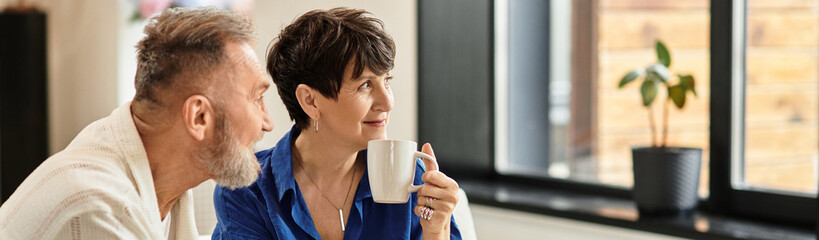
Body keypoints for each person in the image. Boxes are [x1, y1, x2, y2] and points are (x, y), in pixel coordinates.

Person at [0, 7, 274, 239]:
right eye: (257, 98)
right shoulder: (100, 210)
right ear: (199, 117)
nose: (267, 123)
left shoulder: (163, 182)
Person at [212, 7, 461, 240]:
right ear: (310, 101)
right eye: (365, 85)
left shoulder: (411, 178)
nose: (387, 103)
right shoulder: (246, 192)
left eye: (387, 81)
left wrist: (437, 230)